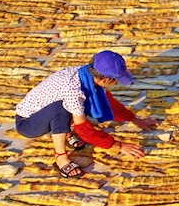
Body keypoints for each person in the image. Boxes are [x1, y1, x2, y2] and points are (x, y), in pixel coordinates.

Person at [14, 50, 158, 178]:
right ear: (105, 80)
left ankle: (66, 133)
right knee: (61, 108)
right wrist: (119, 146)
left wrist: (134, 119)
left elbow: (108, 103)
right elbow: (84, 131)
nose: (117, 84)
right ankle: (60, 157)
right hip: (28, 123)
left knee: (69, 106)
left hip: (43, 112)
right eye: (117, 81)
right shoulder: (74, 90)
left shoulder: (85, 73)